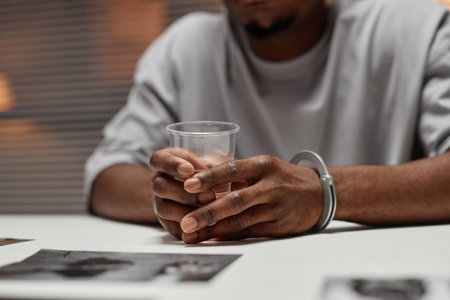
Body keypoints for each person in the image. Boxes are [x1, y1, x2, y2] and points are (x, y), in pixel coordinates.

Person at [85, 0, 450, 244]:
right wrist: (178, 195)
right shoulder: (184, 46)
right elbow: (106, 177)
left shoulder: (415, 26)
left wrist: (322, 194)